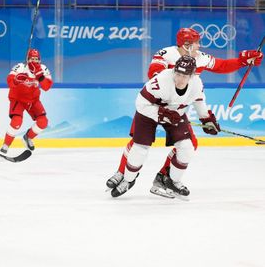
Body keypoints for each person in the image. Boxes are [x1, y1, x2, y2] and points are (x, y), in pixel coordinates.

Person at [106, 27, 263, 195]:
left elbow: (221, 66)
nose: (199, 46)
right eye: (197, 43)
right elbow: (154, 75)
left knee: (189, 144)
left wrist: (244, 61)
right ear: (187, 45)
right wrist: (166, 105)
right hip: (154, 104)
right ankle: (123, 173)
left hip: (176, 107)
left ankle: (165, 176)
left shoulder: (200, 58)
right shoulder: (166, 54)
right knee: (139, 142)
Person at [111, 56, 220, 198]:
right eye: (178, 74)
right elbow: (141, 103)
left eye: (184, 76)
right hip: (149, 113)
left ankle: (171, 181)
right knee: (140, 149)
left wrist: (206, 118)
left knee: (187, 147)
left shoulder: (197, 84)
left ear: (192, 76)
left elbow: (198, 101)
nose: (180, 79)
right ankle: (128, 179)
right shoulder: (161, 80)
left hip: (175, 114)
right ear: (174, 71)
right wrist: (161, 113)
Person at [0, 49, 53, 154]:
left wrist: (40, 75)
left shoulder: (43, 69)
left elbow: (47, 87)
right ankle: (6, 145)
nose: (34, 61)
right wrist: (16, 80)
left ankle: (28, 137)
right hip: (18, 99)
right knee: (16, 122)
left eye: (36, 59)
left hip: (33, 100)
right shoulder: (20, 67)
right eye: (32, 59)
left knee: (43, 122)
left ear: (40, 60)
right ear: (27, 59)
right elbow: (9, 81)